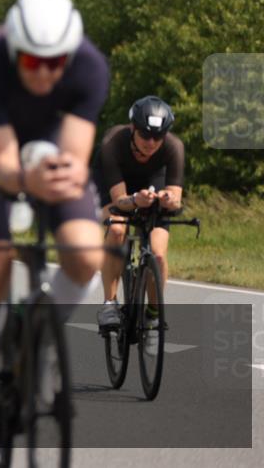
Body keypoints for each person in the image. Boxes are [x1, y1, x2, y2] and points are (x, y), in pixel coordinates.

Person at [0, 0, 109, 466]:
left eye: (55, 62)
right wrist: (26, 179)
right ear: (15, 51)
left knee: (86, 255)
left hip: (52, 146)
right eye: (32, 62)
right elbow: (3, 167)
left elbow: (78, 158)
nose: (44, 72)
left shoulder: (91, 68)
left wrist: (63, 177)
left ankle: (39, 338)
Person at [93, 96, 183, 354]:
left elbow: (176, 197)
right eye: (145, 135)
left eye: (158, 137)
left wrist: (168, 199)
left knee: (157, 253)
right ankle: (109, 303)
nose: (151, 142)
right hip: (117, 187)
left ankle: (153, 316)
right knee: (118, 228)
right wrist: (135, 199)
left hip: (152, 184)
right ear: (133, 128)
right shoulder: (113, 142)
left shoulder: (173, 147)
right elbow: (119, 200)